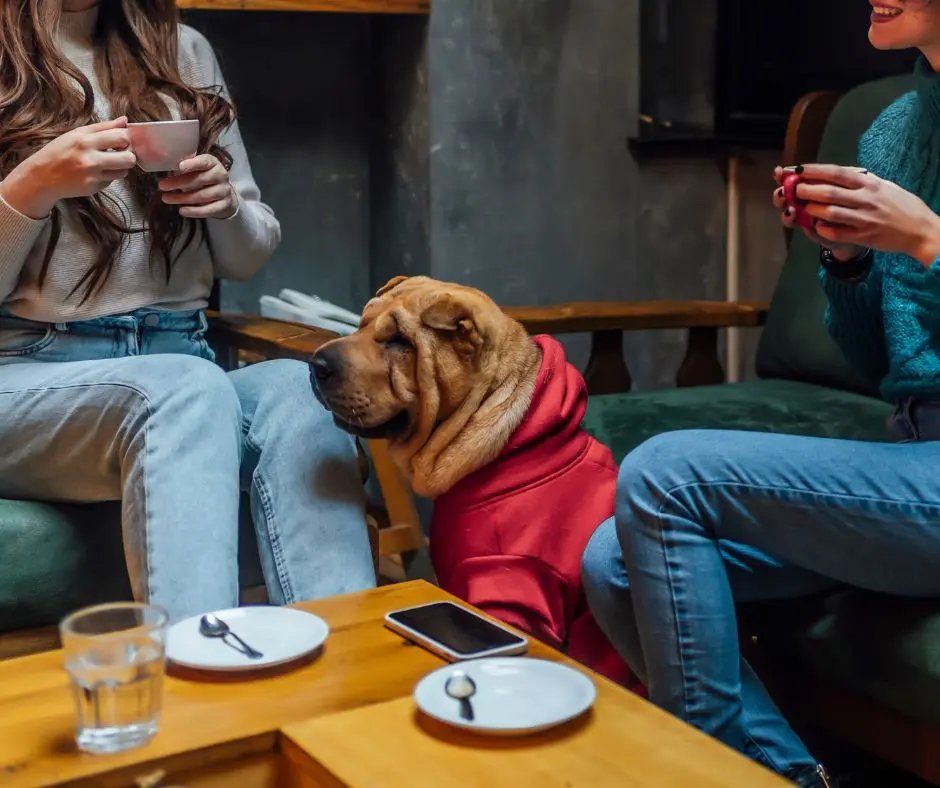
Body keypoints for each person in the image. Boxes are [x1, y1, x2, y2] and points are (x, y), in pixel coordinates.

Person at [580, 2, 940, 786]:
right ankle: (784, 775)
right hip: (916, 452)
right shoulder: (890, 133)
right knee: (612, 561)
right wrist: (844, 260)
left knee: (666, 474)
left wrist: (928, 240)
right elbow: (884, 359)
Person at [0, 0, 376, 622]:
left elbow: (248, 255)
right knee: (185, 391)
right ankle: (198, 698)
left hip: (181, 355)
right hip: (27, 376)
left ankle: (346, 686)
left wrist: (225, 204)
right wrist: (29, 188)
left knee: (299, 392)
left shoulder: (182, 51)